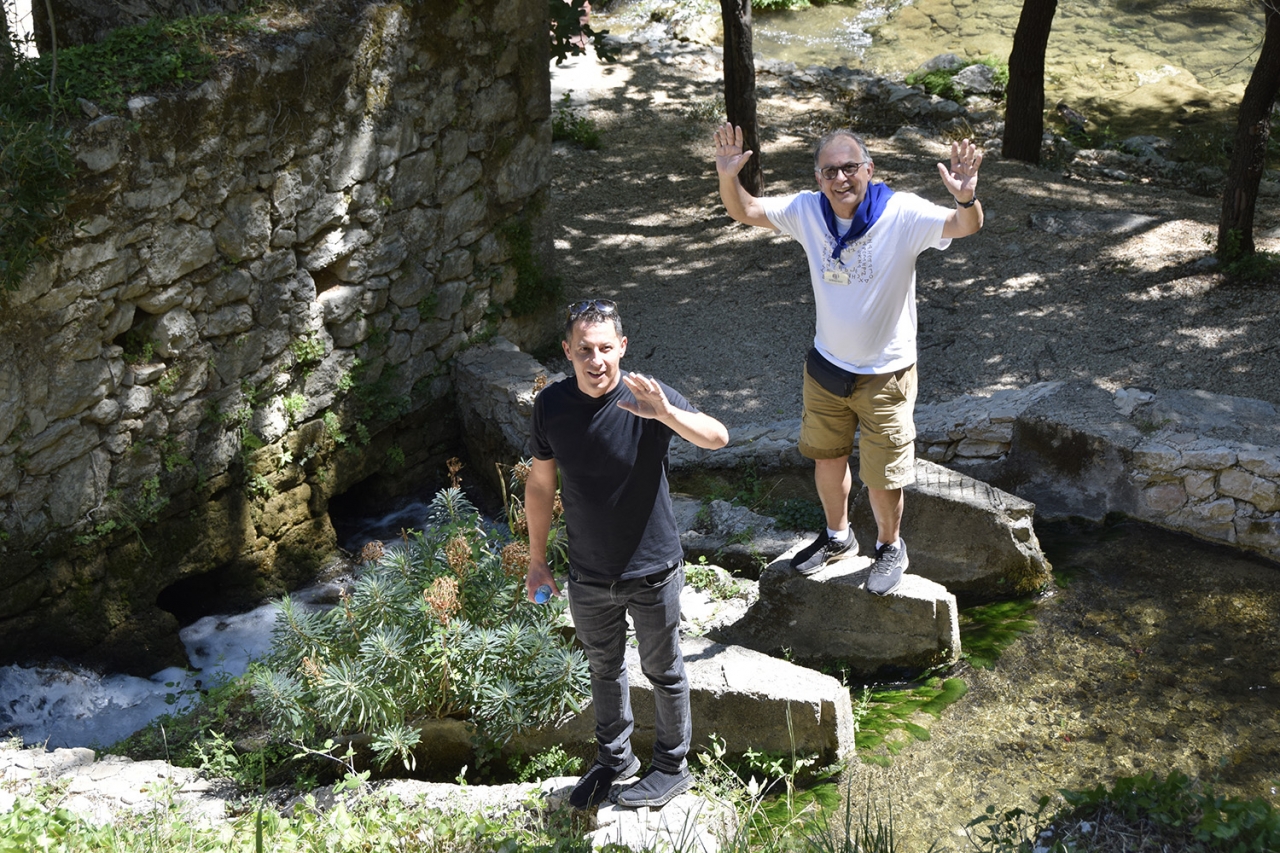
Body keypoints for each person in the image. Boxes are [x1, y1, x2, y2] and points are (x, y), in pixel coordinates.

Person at [712, 123, 984, 593]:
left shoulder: (901, 212)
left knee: (883, 475)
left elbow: (966, 226)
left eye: (850, 168)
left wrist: (965, 198)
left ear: (869, 169)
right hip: (827, 367)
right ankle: (838, 537)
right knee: (827, 458)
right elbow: (745, 209)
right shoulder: (807, 210)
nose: (841, 178)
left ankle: (889, 546)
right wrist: (726, 175)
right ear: (818, 178)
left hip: (886, 373)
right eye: (830, 171)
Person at [524, 299, 729, 809]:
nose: (596, 361)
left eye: (605, 349)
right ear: (567, 351)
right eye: (584, 350)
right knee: (604, 667)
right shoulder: (551, 405)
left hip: (652, 569)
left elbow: (718, 438)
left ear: (622, 348)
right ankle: (615, 759)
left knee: (664, 670)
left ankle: (671, 767)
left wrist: (665, 413)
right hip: (589, 572)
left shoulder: (647, 394)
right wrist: (537, 560)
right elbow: (541, 484)